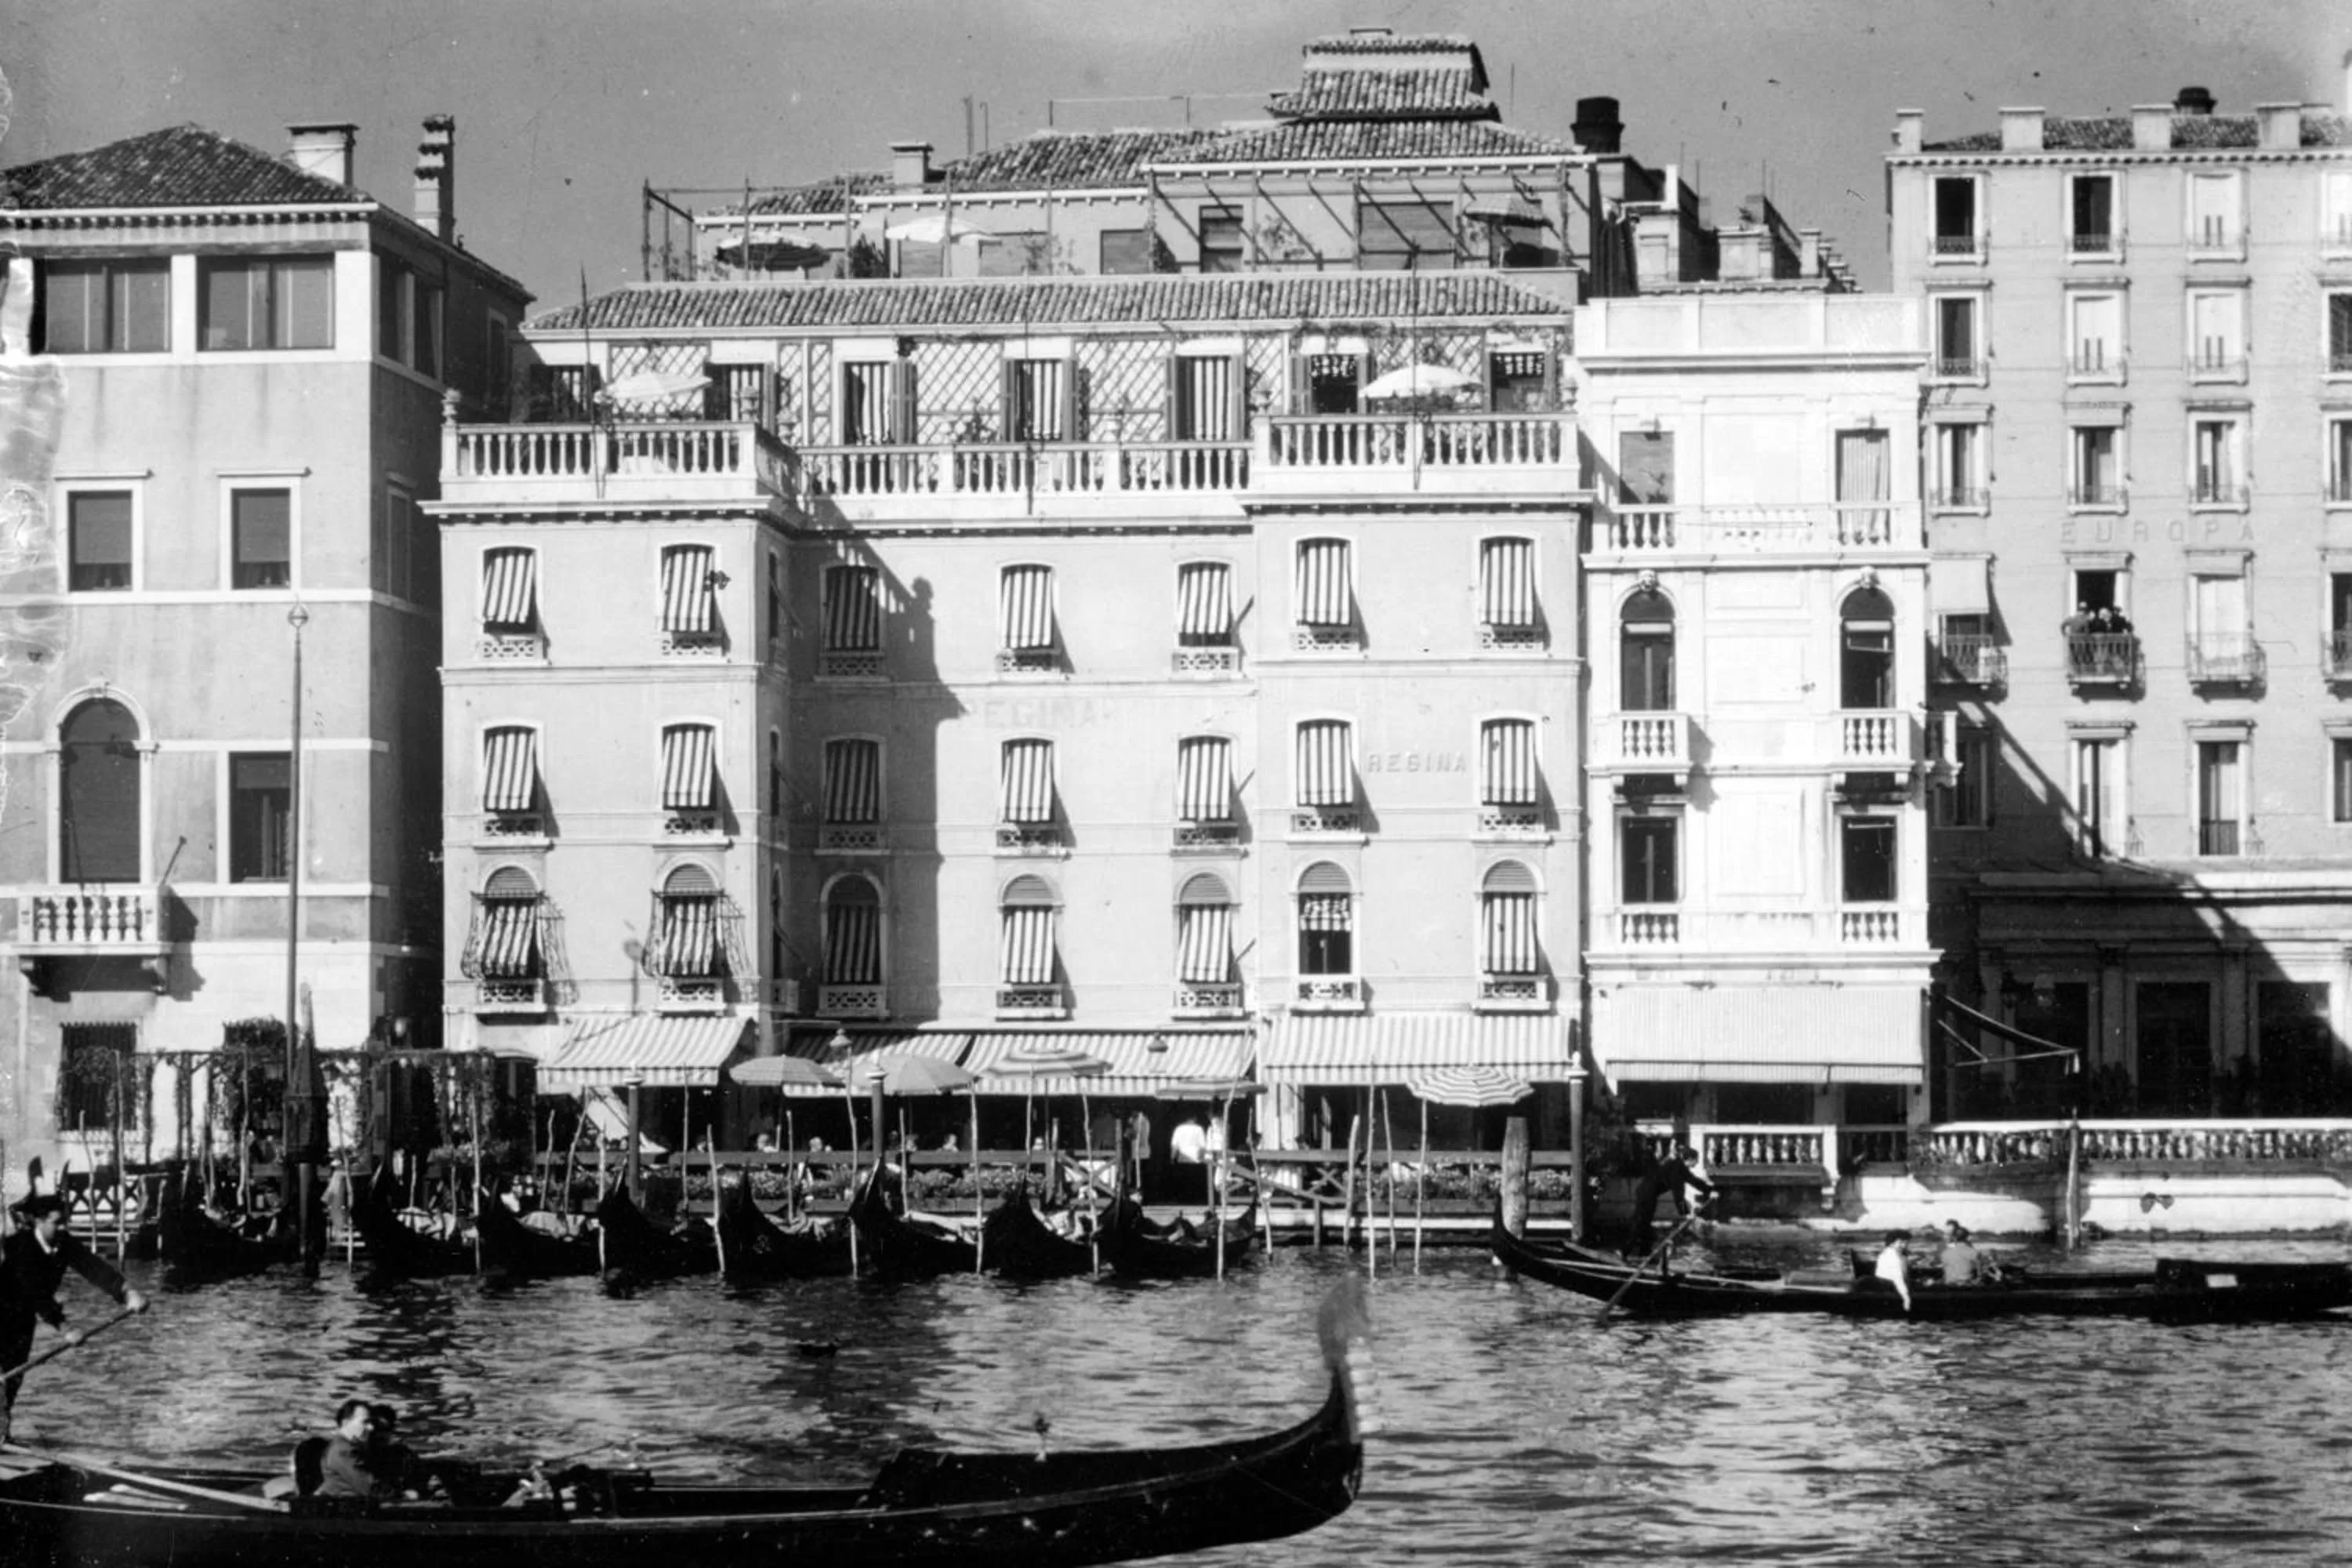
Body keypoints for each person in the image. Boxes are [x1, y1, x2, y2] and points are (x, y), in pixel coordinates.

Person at [0, 1192, 147, 1443]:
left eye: (65, 1221)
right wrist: (65, 1327)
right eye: (57, 1222)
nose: (63, 1227)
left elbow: (93, 1267)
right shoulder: (22, 1246)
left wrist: (127, 1292)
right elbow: (37, 1293)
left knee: (12, 1379)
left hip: (22, 1319)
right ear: (39, 1221)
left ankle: (3, 1437)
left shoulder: (63, 1243)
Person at [1628, 1144, 1715, 1256]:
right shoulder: (1677, 1169)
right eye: (1696, 1160)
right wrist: (1686, 1213)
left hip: (1650, 1194)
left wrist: (1710, 1191)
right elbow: (1678, 1194)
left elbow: (1694, 1181)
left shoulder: (1681, 1167)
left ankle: (1644, 1253)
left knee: (1646, 1223)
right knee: (1640, 1222)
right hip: (1646, 1193)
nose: (1697, 1163)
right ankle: (1625, 1251)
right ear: (1690, 1159)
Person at [315, 1399, 400, 1500]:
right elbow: (368, 1488)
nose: (371, 1428)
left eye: (371, 1423)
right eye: (365, 1422)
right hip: (348, 1508)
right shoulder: (343, 1451)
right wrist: (402, 1495)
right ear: (346, 1423)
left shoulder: (346, 1447)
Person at [1874, 1230, 1914, 1312]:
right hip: (1888, 1286)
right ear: (1891, 1243)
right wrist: (1906, 1299)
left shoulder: (1899, 1254)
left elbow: (1904, 1275)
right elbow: (1898, 1278)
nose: (1904, 1245)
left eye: (1906, 1243)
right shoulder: (1892, 1255)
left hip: (1894, 1284)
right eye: (1901, 1242)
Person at [1939, 1220, 1985, 1287]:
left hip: (1949, 1283)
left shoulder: (1945, 1252)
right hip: (1965, 1284)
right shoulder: (1972, 1251)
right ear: (1967, 1238)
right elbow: (1980, 1270)